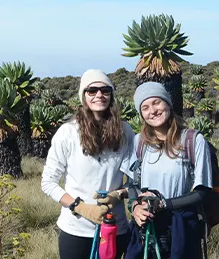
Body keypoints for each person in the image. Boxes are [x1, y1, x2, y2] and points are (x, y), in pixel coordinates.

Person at [40, 69, 135, 259]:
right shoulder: (67, 133)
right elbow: (48, 183)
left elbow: (135, 181)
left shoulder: (125, 131)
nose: (99, 95)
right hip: (75, 231)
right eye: (92, 90)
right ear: (83, 96)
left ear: (111, 95)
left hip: (114, 229)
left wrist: (119, 194)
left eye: (105, 90)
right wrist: (81, 207)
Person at [121, 82, 217, 259]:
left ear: (168, 103)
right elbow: (132, 184)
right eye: (145, 107)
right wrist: (135, 207)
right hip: (145, 228)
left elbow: (202, 191)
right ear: (141, 114)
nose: (153, 111)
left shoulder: (193, 140)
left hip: (180, 229)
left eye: (157, 102)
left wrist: (164, 204)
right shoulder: (138, 142)